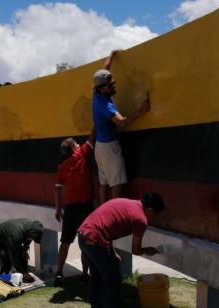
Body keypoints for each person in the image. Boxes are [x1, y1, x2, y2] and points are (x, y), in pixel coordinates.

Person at [78, 192, 165, 307]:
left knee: (96, 276)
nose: (154, 218)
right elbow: (136, 250)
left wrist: (112, 252)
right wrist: (148, 250)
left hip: (83, 236)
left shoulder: (126, 203)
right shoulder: (141, 219)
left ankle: (96, 305)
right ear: (149, 210)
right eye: (155, 214)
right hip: (96, 240)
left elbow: (108, 226)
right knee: (113, 279)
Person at [92, 49, 151, 203]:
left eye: (113, 81)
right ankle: (111, 214)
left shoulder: (97, 91)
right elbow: (122, 122)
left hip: (100, 147)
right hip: (109, 148)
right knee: (117, 182)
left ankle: (102, 211)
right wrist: (143, 110)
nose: (114, 85)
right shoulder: (105, 105)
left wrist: (112, 54)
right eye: (111, 85)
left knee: (104, 182)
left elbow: (106, 68)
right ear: (103, 88)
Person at [54, 130, 96, 284]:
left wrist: (58, 209)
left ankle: (59, 272)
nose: (79, 144)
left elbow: (57, 189)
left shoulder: (61, 167)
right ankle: (85, 274)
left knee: (65, 241)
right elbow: (93, 137)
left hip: (70, 208)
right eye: (77, 144)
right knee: (85, 241)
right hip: (85, 206)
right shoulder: (82, 154)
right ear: (74, 148)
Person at [0, 218, 44, 284]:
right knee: (8, 261)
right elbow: (13, 256)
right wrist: (23, 272)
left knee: (23, 256)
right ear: (29, 233)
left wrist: (25, 249)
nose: (31, 239)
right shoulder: (16, 235)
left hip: (10, 235)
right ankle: (1, 279)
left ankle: (23, 275)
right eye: (32, 238)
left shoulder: (30, 228)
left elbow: (28, 240)